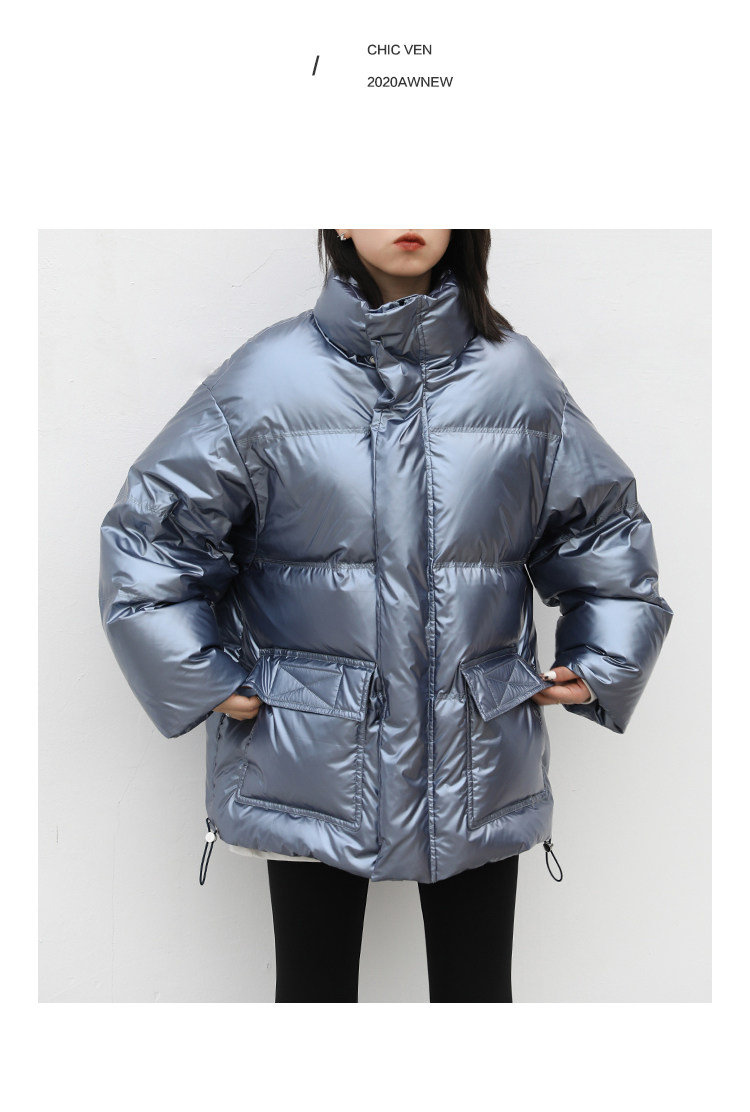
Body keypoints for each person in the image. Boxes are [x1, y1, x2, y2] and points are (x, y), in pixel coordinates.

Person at [99, 229, 673, 1003]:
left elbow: (600, 526)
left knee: (477, 1001)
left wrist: (606, 653)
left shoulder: (516, 378)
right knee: (315, 1001)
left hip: (477, 753)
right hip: (310, 752)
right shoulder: (269, 379)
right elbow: (152, 535)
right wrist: (197, 673)